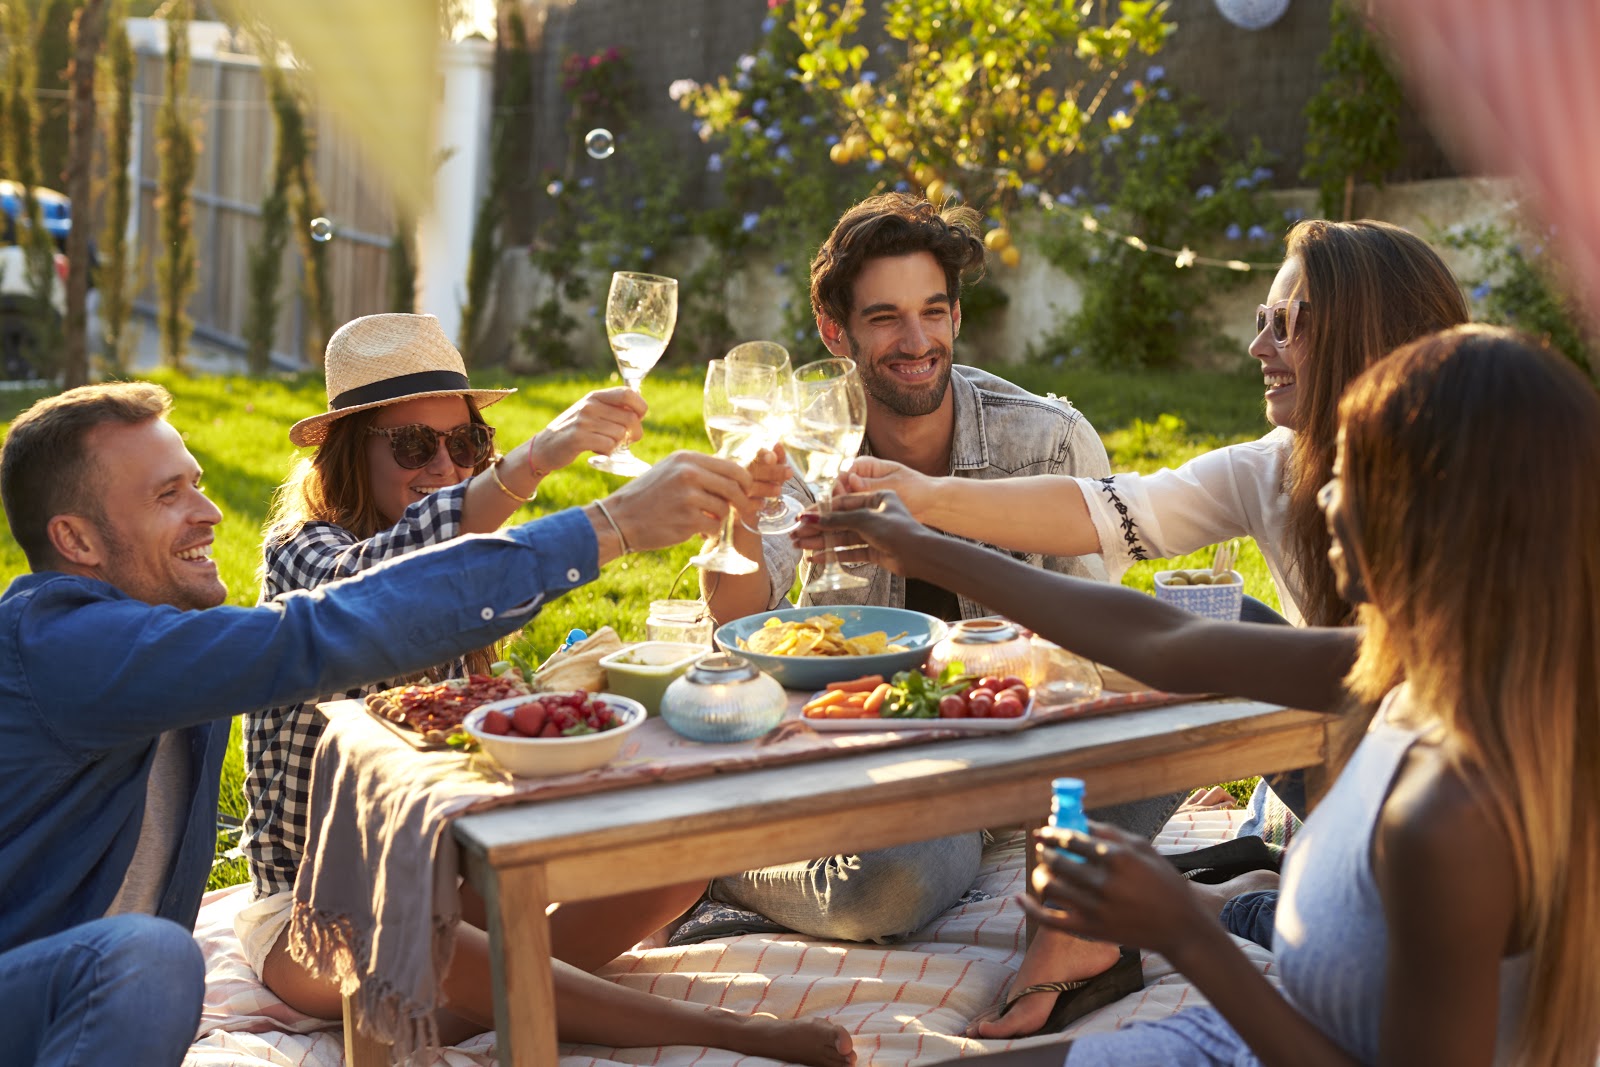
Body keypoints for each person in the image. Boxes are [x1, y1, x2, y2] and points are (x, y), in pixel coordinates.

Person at [808, 325, 1598, 1067]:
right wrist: (918, 546)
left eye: (1353, 473)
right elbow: (1165, 641)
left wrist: (1184, 928)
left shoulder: (1448, 819)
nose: (1321, 496)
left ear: (1441, 519)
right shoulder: (1417, 672)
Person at [0, 380, 851, 1067]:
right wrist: (611, 523)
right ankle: (701, 1032)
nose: (210, 511)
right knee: (153, 959)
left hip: (413, 871)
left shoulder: (155, 638)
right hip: (290, 907)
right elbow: (326, 628)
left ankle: (448, 1006)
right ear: (74, 536)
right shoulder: (70, 642)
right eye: (167, 493)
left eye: (197, 481)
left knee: (650, 866)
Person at [837, 219, 1473, 1037]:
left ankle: (1230, 902)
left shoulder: (1453, 781)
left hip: (1387, 863)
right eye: (1259, 318)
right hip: (1361, 802)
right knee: (1216, 619)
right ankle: (1228, 900)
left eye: (1288, 323)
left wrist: (1177, 923)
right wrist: (922, 515)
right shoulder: (1285, 477)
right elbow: (1129, 562)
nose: (1258, 346)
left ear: (1367, 341)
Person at [239, 313, 715, 1006]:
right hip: (318, 911)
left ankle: (478, 998)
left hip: (445, 879)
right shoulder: (301, 553)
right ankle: (733, 1032)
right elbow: (385, 582)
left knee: (679, 867)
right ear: (347, 452)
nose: (447, 467)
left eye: (467, 441)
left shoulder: (471, 565)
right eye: (412, 444)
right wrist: (542, 458)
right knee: (421, 963)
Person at [696, 192, 1114, 955]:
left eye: (933, 311)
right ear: (836, 331)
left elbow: (1101, 641)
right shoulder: (805, 447)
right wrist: (741, 510)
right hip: (873, 764)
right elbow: (733, 625)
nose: (915, 340)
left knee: (1149, 769)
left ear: (956, 316)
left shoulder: (1049, 441)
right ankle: (713, 872)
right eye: (885, 317)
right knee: (894, 880)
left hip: (1024, 746)